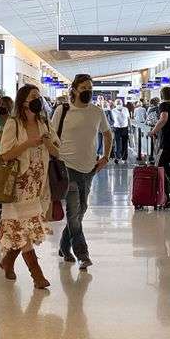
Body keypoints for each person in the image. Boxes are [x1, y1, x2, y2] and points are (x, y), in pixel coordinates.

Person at [0, 85, 60, 288]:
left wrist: (48, 143)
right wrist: (28, 144)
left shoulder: (45, 123)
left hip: (39, 184)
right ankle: (37, 275)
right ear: (23, 101)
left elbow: (56, 151)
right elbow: (5, 154)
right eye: (34, 96)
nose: (38, 100)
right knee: (24, 226)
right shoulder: (13, 124)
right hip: (18, 184)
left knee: (26, 227)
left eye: (39, 96)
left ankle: (8, 261)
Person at [52, 74, 113, 270]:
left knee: (81, 209)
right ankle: (83, 254)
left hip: (89, 168)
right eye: (84, 88)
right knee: (73, 212)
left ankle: (63, 246)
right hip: (67, 167)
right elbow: (51, 137)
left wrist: (106, 156)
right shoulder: (63, 110)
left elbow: (107, 133)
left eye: (90, 88)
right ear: (75, 90)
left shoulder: (97, 111)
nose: (88, 91)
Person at [111, 99, 130, 164]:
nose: (119, 104)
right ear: (115, 104)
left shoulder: (125, 109)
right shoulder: (113, 111)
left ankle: (124, 157)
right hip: (117, 128)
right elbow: (112, 120)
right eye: (117, 103)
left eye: (120, 102)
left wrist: (130, 128)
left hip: (125, 128)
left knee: (125, 143)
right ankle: (117, 157)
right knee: (117, 143)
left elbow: (128, 118)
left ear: (122, 103)